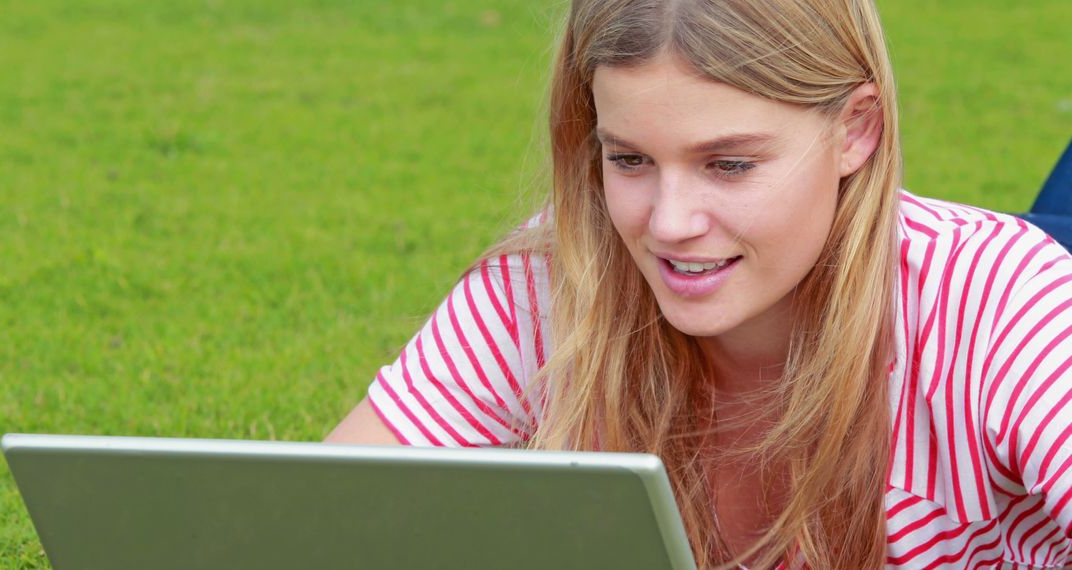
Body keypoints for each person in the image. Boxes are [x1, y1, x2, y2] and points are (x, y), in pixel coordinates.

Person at [325, 0, 1072, 568]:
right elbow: (305, 524)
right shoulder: (556, 281)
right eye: (630, 160)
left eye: (729, 164)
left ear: (855, 131)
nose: (669, 223)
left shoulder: (1010, 309)